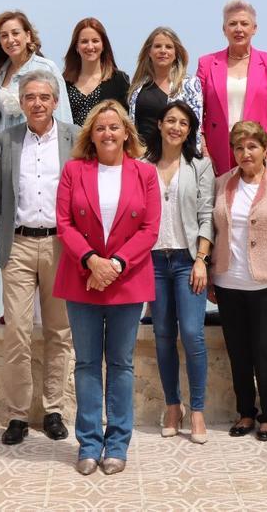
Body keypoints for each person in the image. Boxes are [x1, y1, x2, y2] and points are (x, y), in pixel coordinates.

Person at [54, 100, 160, 475]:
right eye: (100, 128)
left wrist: (114, 264)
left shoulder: (145, 174)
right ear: (91, 135)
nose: (108, 133)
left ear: (126, 133)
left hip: (126, 280)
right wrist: (91, 261)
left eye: (114, 127)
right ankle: (88, 444)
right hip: (82, 278)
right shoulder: (73, 170)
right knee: (85, 363)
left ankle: (117, 444)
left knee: (120, 364)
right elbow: (63, 223)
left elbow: (150, 229)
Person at [0, 70, 76, 446]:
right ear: (21, 102)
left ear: (55, 101)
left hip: (62, 245)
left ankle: (54, 409)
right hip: (20, 244)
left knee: (59, 332)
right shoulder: (4, 140)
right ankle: (18, 415)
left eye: (44, 97)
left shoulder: (74, 138)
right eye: (30, 97)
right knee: (17, 332)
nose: (37, 103)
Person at [209, 121, 267, 442]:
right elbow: (215, 231)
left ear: (265, 149)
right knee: (238, 354)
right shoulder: (222, 184)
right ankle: (245, 412)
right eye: (238, 147)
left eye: (252, 146)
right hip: (228, 282)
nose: (245, 153)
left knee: (266, 353)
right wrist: (210, 276)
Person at [143, 101, 214, 444]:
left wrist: (202, 258)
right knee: (162, 335)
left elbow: (206, 213)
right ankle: (174, 406)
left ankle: (197, 409)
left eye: (183, 123)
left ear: (189, 130)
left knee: (192, 333)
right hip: (153, 261)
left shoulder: (199, 164)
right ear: (159, 124)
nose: (176, 127)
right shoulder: (142, 164)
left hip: (188, 260)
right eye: (170, 120)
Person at [197, 0, 267, 174]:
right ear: (224, 29)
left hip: (256, 152)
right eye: (232, 24)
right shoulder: (206, 63)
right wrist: (204, 151)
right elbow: (197, 111)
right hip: (216, 154)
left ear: (254, 28)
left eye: (244, 23)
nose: (238, 29)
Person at [0, 10, 73, 129]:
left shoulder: (47, 68)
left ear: (27, 36)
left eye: (15, 33)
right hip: (1, 145)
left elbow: (63, 114)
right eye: (4, 36)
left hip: (36, 144)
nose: (10, 40)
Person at [127, 26, 203, 145]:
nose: (163, 51)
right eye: (157, 46)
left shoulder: (190, 84)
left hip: (176, 157)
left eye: (168, 47)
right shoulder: (137, 86)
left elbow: (195, 128)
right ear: (149, 52)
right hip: (142, 157)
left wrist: (192, 159)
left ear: (176, 53)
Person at [62, 17, 130, 126]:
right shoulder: (63, 83)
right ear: (76, 47)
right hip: (72, 142)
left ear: (103, 46)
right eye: (84, 41)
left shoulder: (119, 80)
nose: (90, 46)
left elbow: (126, 121)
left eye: (95, 41)